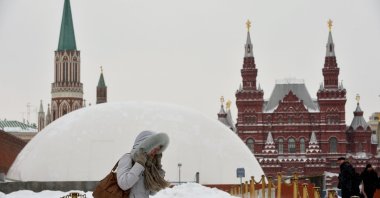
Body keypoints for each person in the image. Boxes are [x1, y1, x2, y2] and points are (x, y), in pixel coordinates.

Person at [116, 131, 170, 198]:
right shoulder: (127, 158)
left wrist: (158, 170)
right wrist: (139, 164)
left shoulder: (148, 165)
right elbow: (124, 184)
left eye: (157, 150)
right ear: (144, 146)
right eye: (154, 148)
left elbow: (152, 192)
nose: (155, 152)